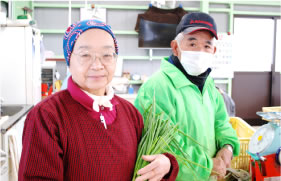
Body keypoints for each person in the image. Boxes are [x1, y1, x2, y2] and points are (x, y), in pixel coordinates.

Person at [18, 19, 179, 181]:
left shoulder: (130, 113)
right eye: (85, 55)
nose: (97, 65)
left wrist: (166, 164)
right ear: (69, 60)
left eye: (107, 55)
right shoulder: (47, 116)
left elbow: (147, 161)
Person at [135, 12, 240, 180]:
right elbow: (164, 145)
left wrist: (227, 147)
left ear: (213, 51)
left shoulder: (209, 86)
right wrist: (208, 165)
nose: (200, 51)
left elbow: (222, 123)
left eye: (206, 46)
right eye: (192, 43)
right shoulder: (157, 87)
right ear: (176, 47)